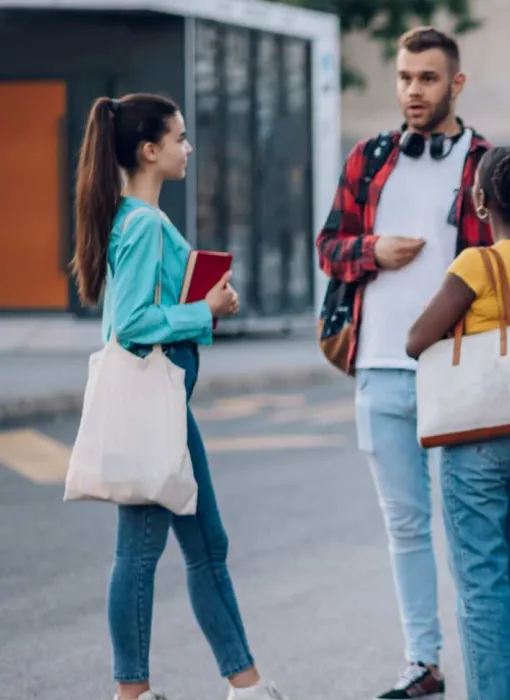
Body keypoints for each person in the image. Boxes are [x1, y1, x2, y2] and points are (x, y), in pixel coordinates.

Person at [71, 93, 290, 700]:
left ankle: (245, 685)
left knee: (206, 546)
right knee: (140, 553)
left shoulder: (134, 217)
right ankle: (133, 693)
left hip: (165, 405)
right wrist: (204, 309)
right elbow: (131, 323)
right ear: (150, 150)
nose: (188, 148)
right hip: (153, 407)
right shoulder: (142, 224)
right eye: (179, 138)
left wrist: (204, 307)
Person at [313, 25, 492, 700]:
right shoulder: (369, 159)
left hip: (458, 368)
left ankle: (488, 664)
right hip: (380, 367)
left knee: (472, 528)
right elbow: (329, 247)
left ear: (456, 84)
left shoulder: (483, 163)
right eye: (405, 78)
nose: (413, 91)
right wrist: (373, 251)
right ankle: (423, 664)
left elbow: (501, 264)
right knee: (406, 525)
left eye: (427, 78)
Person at [404, 146, 510, 700]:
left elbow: (417, 339)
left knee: (482, 585)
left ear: (479, 200)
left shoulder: (477, 263)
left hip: (479, 435)